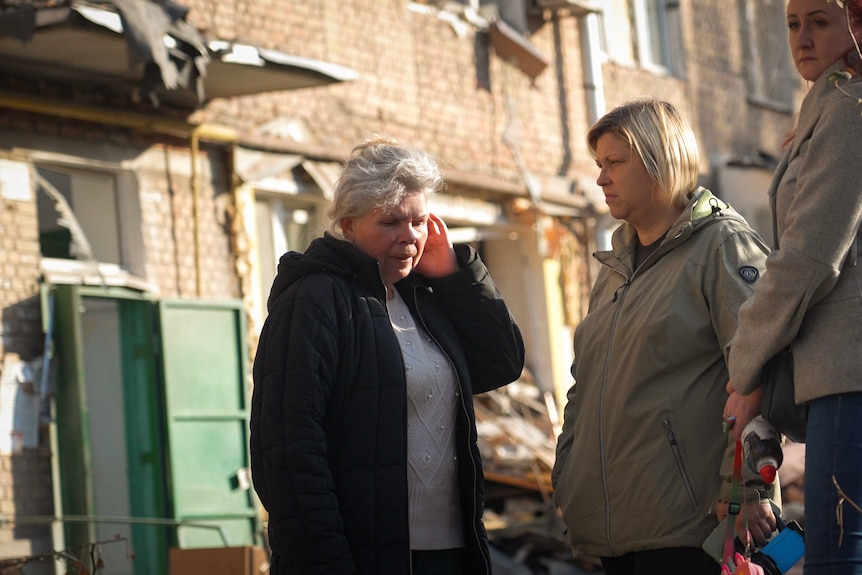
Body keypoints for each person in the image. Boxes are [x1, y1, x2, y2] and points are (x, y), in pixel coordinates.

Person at [249, 136, 525, 575]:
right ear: (347, 224)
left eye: (418, 222)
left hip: (451, 554)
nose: (409, 237)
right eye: (390, 222)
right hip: (361, 558)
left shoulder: (425, 296)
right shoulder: (314, 301)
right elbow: (287, 450)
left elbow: (502, 362)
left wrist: (455, 274)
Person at [551, 99, 774, 575]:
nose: (600, 178)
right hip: (614, 533)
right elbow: (585, 388)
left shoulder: (721, 246)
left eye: (615, 162)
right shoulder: (614, 271)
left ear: (659, 161)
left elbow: (760, 369)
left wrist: (750, 489)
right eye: (598, 164)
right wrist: (568, 477)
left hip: (691, 528)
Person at [723, 0, 862, 572]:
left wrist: (745, 367)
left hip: (849, 376)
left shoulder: (850, 106)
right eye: (793, 23)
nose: (802, 38)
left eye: (820, 21)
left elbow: (807, 256)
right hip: (838, 376)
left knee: (837, 561)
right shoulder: (831, 103)